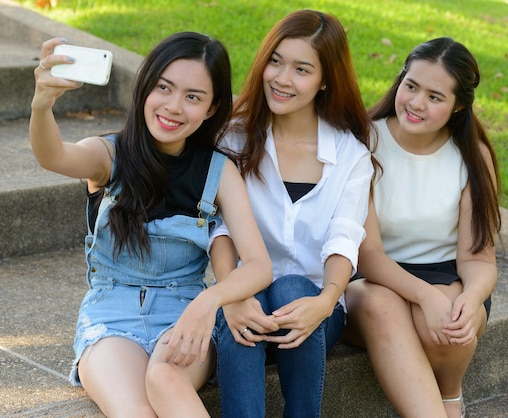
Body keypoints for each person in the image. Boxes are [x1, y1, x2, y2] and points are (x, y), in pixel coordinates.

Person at [29, 32, 273, 418]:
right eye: (164, 88)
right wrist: (42, 104)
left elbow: (259, 265)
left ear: (211, 109)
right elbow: (55, 156)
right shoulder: (108, 155)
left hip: (184, 311)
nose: (174, 107)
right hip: (111, 315)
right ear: (145, 88)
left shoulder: (219, 171)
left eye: (193, 96)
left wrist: (208, 302)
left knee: (165, 380)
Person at [209, 10, 375, 418]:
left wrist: (326, 300)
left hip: (316, 307)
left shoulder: (350, 154)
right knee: (244, 314)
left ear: (325, 80)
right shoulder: (234, 137)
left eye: (301, 69)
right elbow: (220, 227)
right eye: (276, 61)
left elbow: (345, 235)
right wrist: (231, 294)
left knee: (293, 288)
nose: (282, 79)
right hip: (243, 292)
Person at [342, 37, 500, 418]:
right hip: (371, 279)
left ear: (458, 105)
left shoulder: (472, 156)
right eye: (410, 86)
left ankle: (450, 397)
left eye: (434, 96)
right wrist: (424, 296)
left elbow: (478, 257)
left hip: (446, 276)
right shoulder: (365, 141)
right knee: (386, 306)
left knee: (451, 321)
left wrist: (471, 298)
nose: (415, 103)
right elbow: (369, 253)